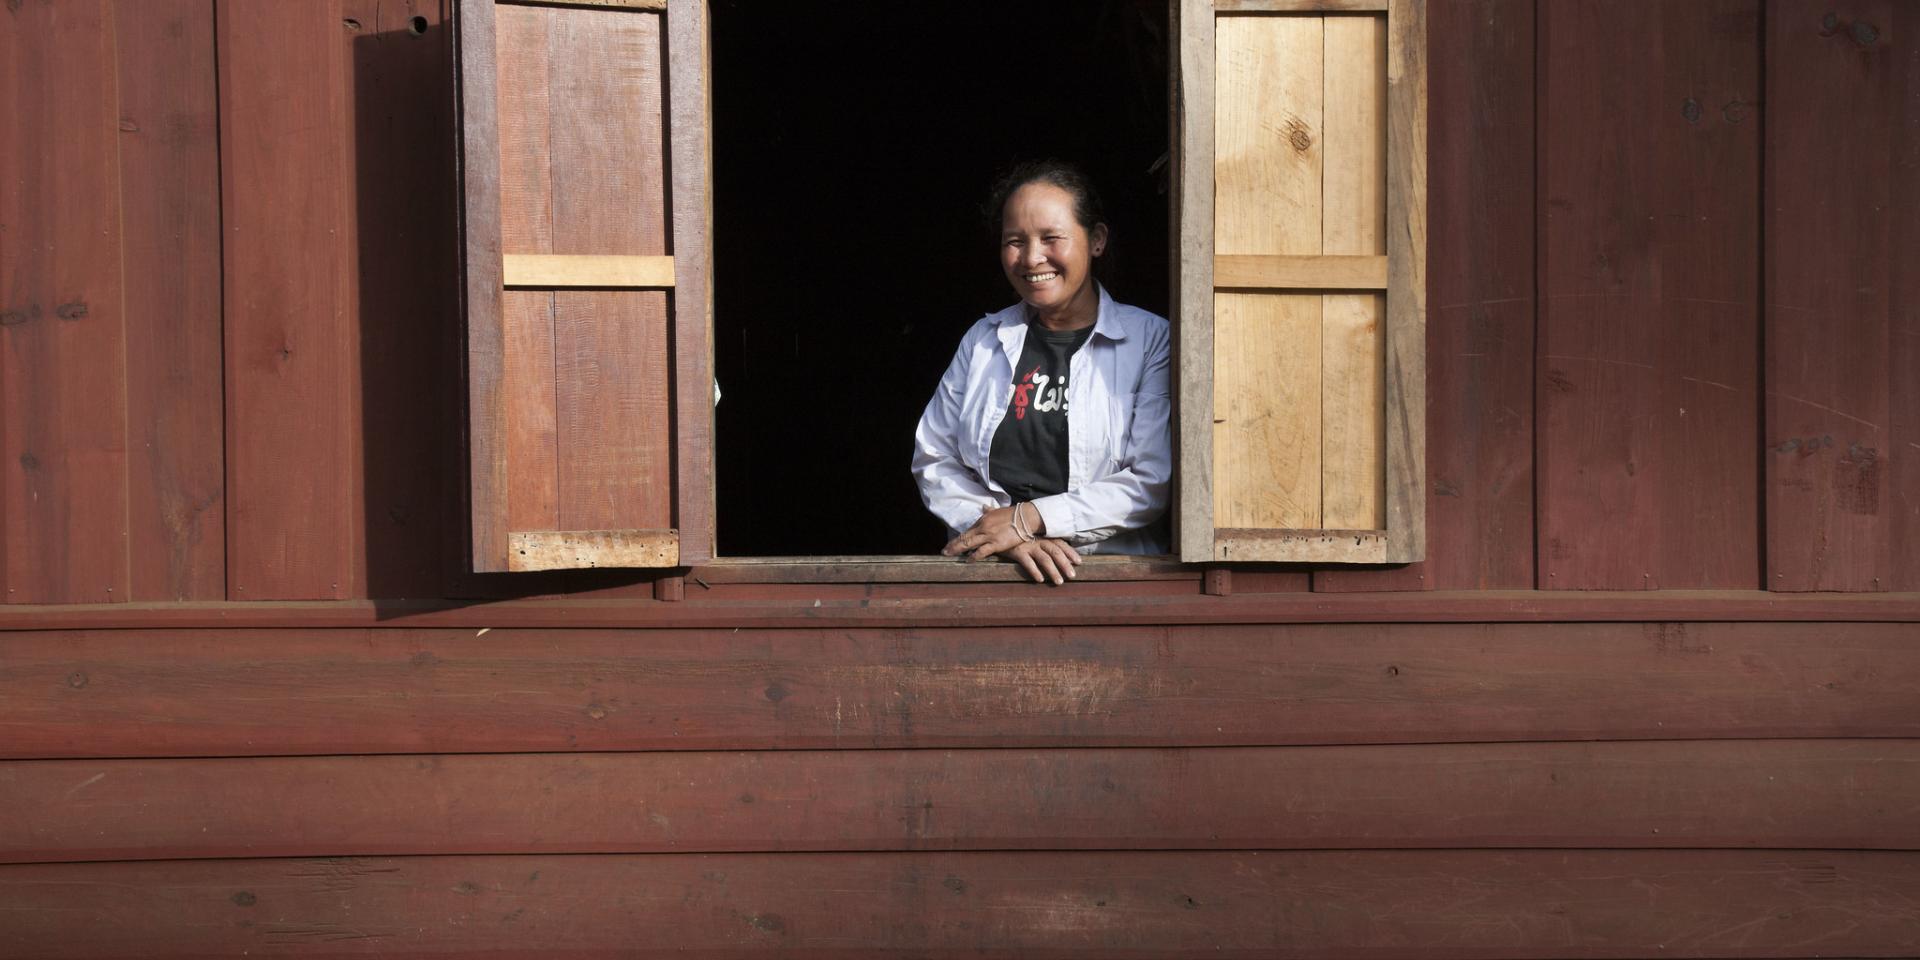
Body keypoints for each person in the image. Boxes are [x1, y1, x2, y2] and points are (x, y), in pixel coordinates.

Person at [911, 160, 1171, 584]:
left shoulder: (1150, 340)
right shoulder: (983, 340)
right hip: (990, 573)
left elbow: (1150, 483)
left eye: (1052, 238)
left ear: (1097, 240)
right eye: (1014, 241)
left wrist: (1027, 519)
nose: (1032, 258)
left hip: (1112, 579)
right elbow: (934, 456)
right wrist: (1004, 536)